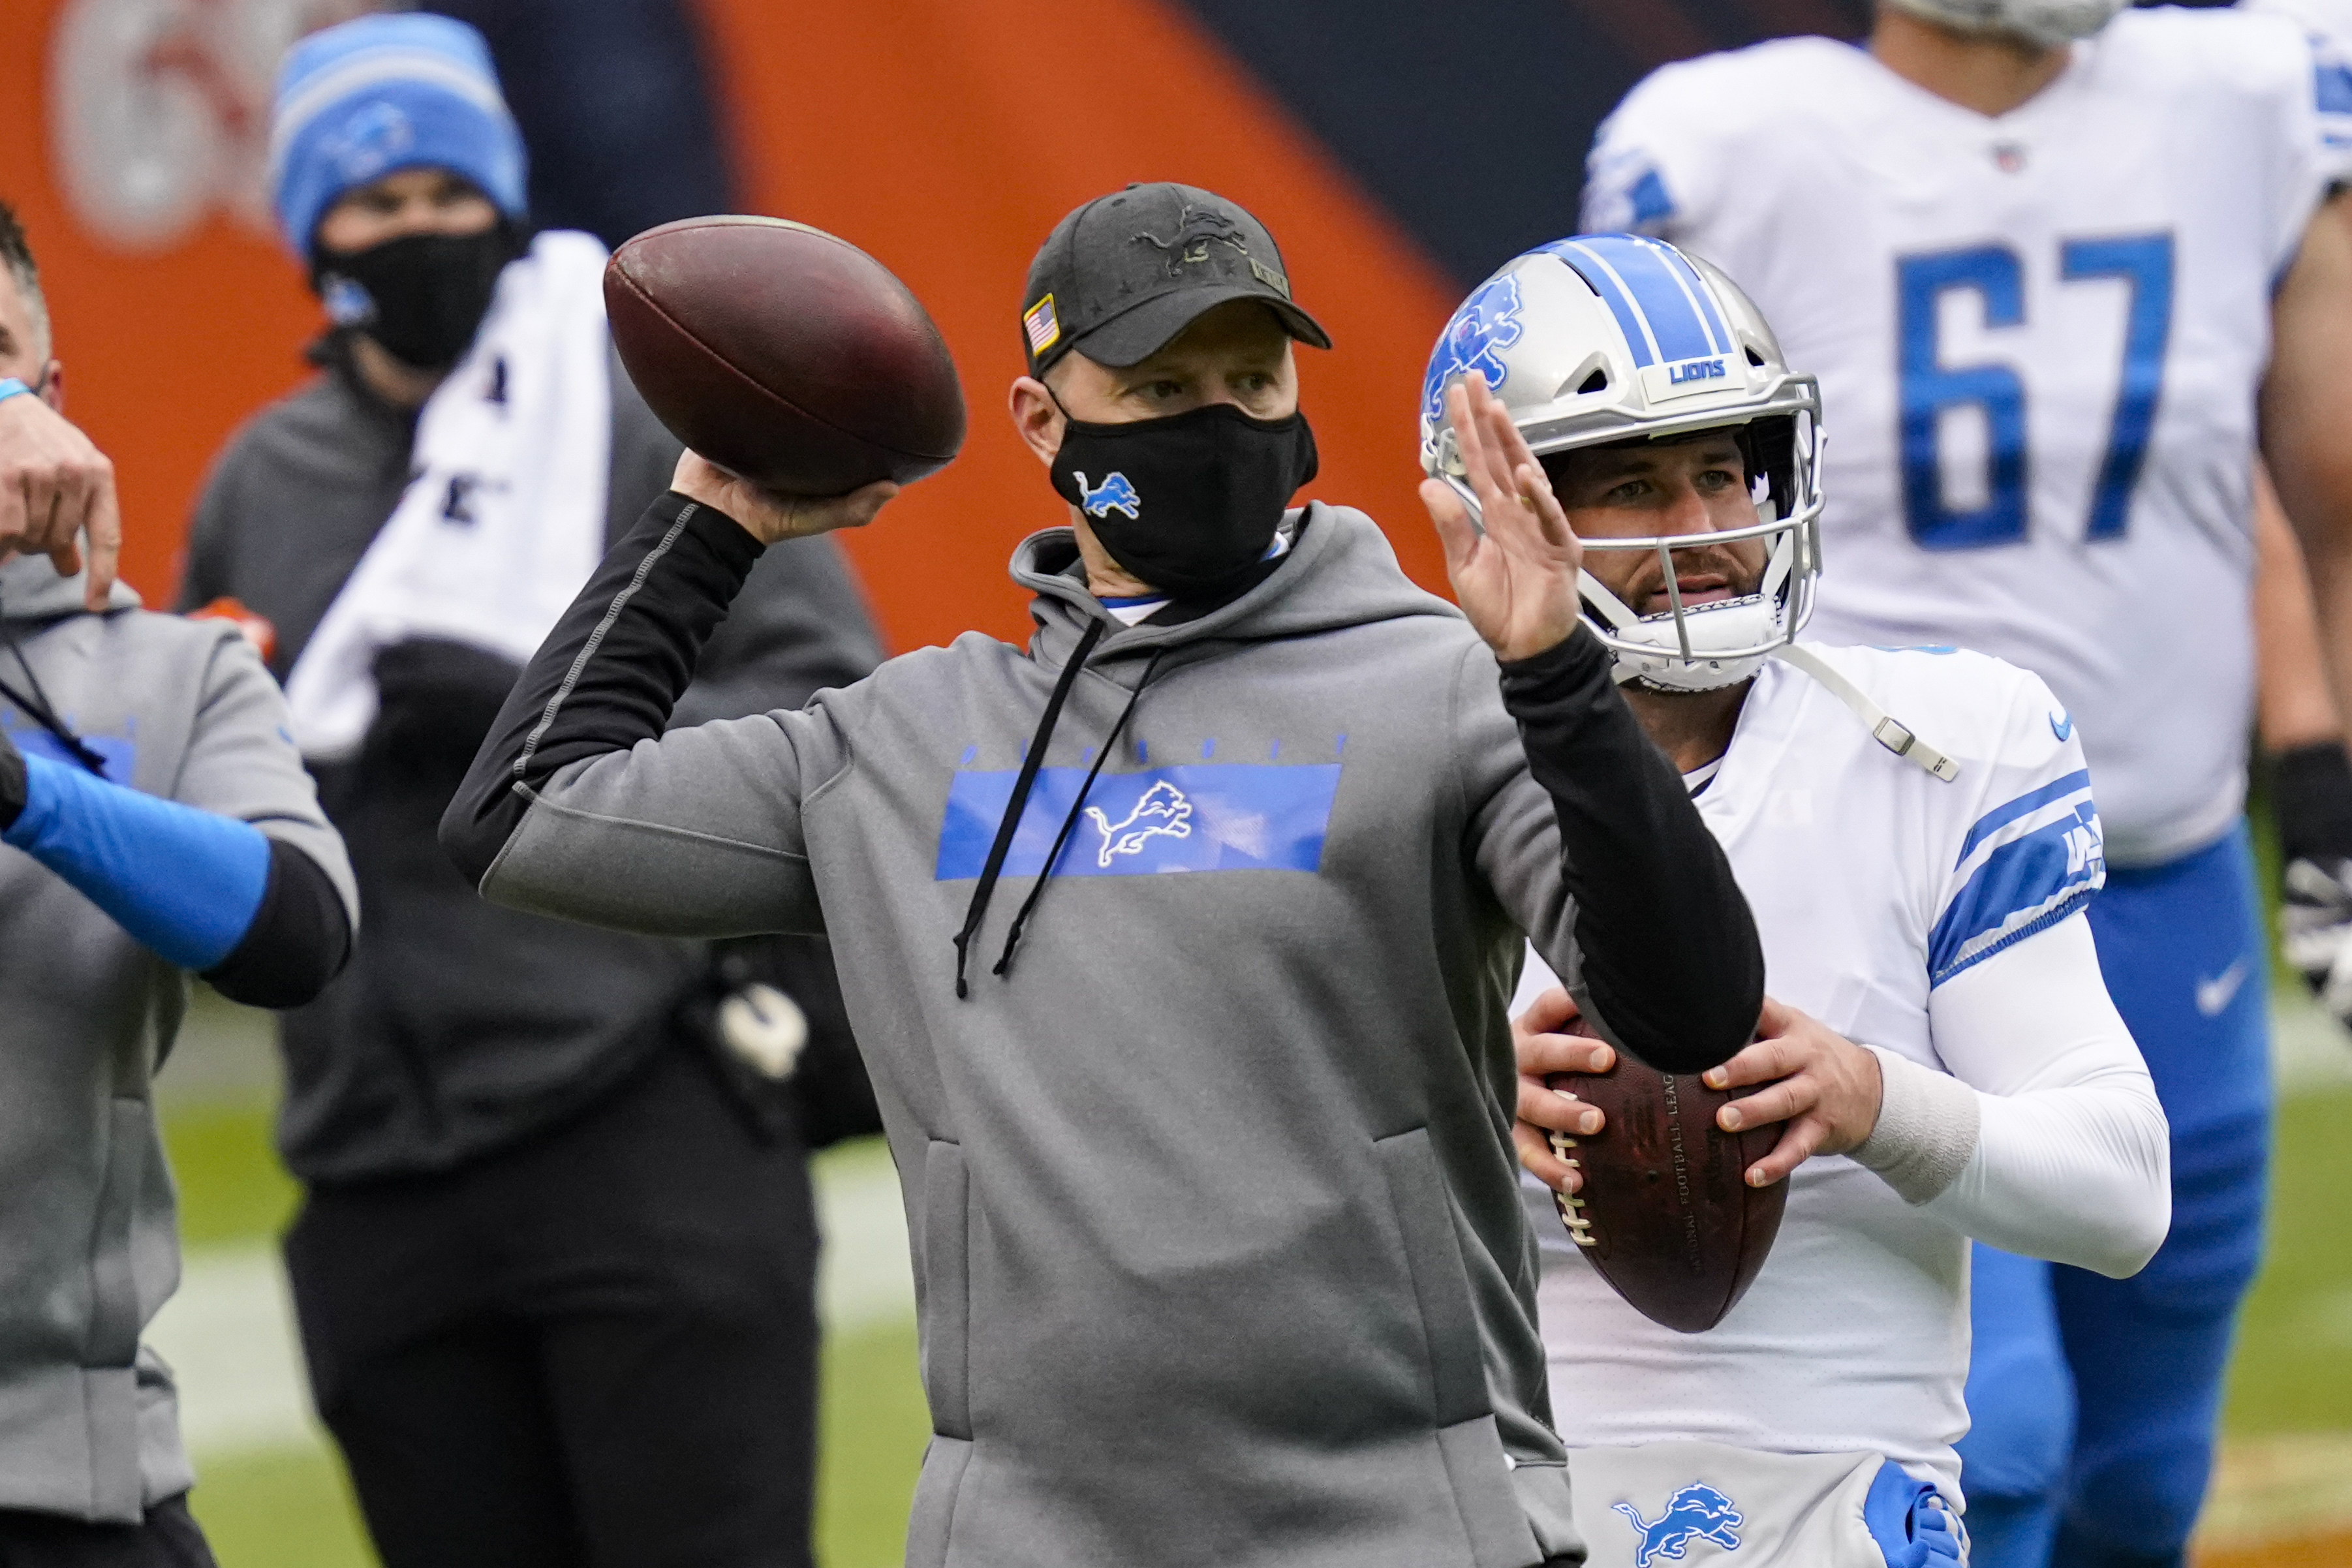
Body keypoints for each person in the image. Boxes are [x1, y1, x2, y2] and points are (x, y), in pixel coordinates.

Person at [441, 179, 1766, 1567]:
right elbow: (529, 815)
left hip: (1404, 1522)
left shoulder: (1437, 682)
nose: (1217, 419)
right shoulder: (905, 742)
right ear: (1041, 421)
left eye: (1250, 378)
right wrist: (712, 520)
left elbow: (1684, 1009)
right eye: (1158, 383)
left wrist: (1554, 678)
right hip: (1026, 1532)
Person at [1575, 3, 2352, 1560]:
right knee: (1991, 1443)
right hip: (1884, 867)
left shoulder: (2240, 92)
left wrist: (2319, 784)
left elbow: (2257, 489)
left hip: (2161, 857)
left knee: (2139, 1469)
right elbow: (1615, 492)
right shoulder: (1731, 142)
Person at [174, 16, 884, 1567]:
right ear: (310, 231)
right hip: (369, 1165)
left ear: (505, 191)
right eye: (375, 199)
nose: (419, 226)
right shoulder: (258, 478)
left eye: (448, 187)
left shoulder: (647, 416)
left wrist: (527, 709)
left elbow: (828, 710)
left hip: (641, 1117)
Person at [1434, 232, 2169, 1565]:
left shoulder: (1939, 740)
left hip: (1840, 1486)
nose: (1703, 528)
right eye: (1631, 486)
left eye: (1719, 468)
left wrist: (1872, 1099)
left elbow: (2120, 1194)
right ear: (1498, 510)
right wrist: (1454, 1107)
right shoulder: (1409, 760)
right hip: (1492, 1486)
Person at [0, 199, 355, 1565]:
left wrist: (32, 794)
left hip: (62, 1478)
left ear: (53, 392)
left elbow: (293, 931)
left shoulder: (172, 670)